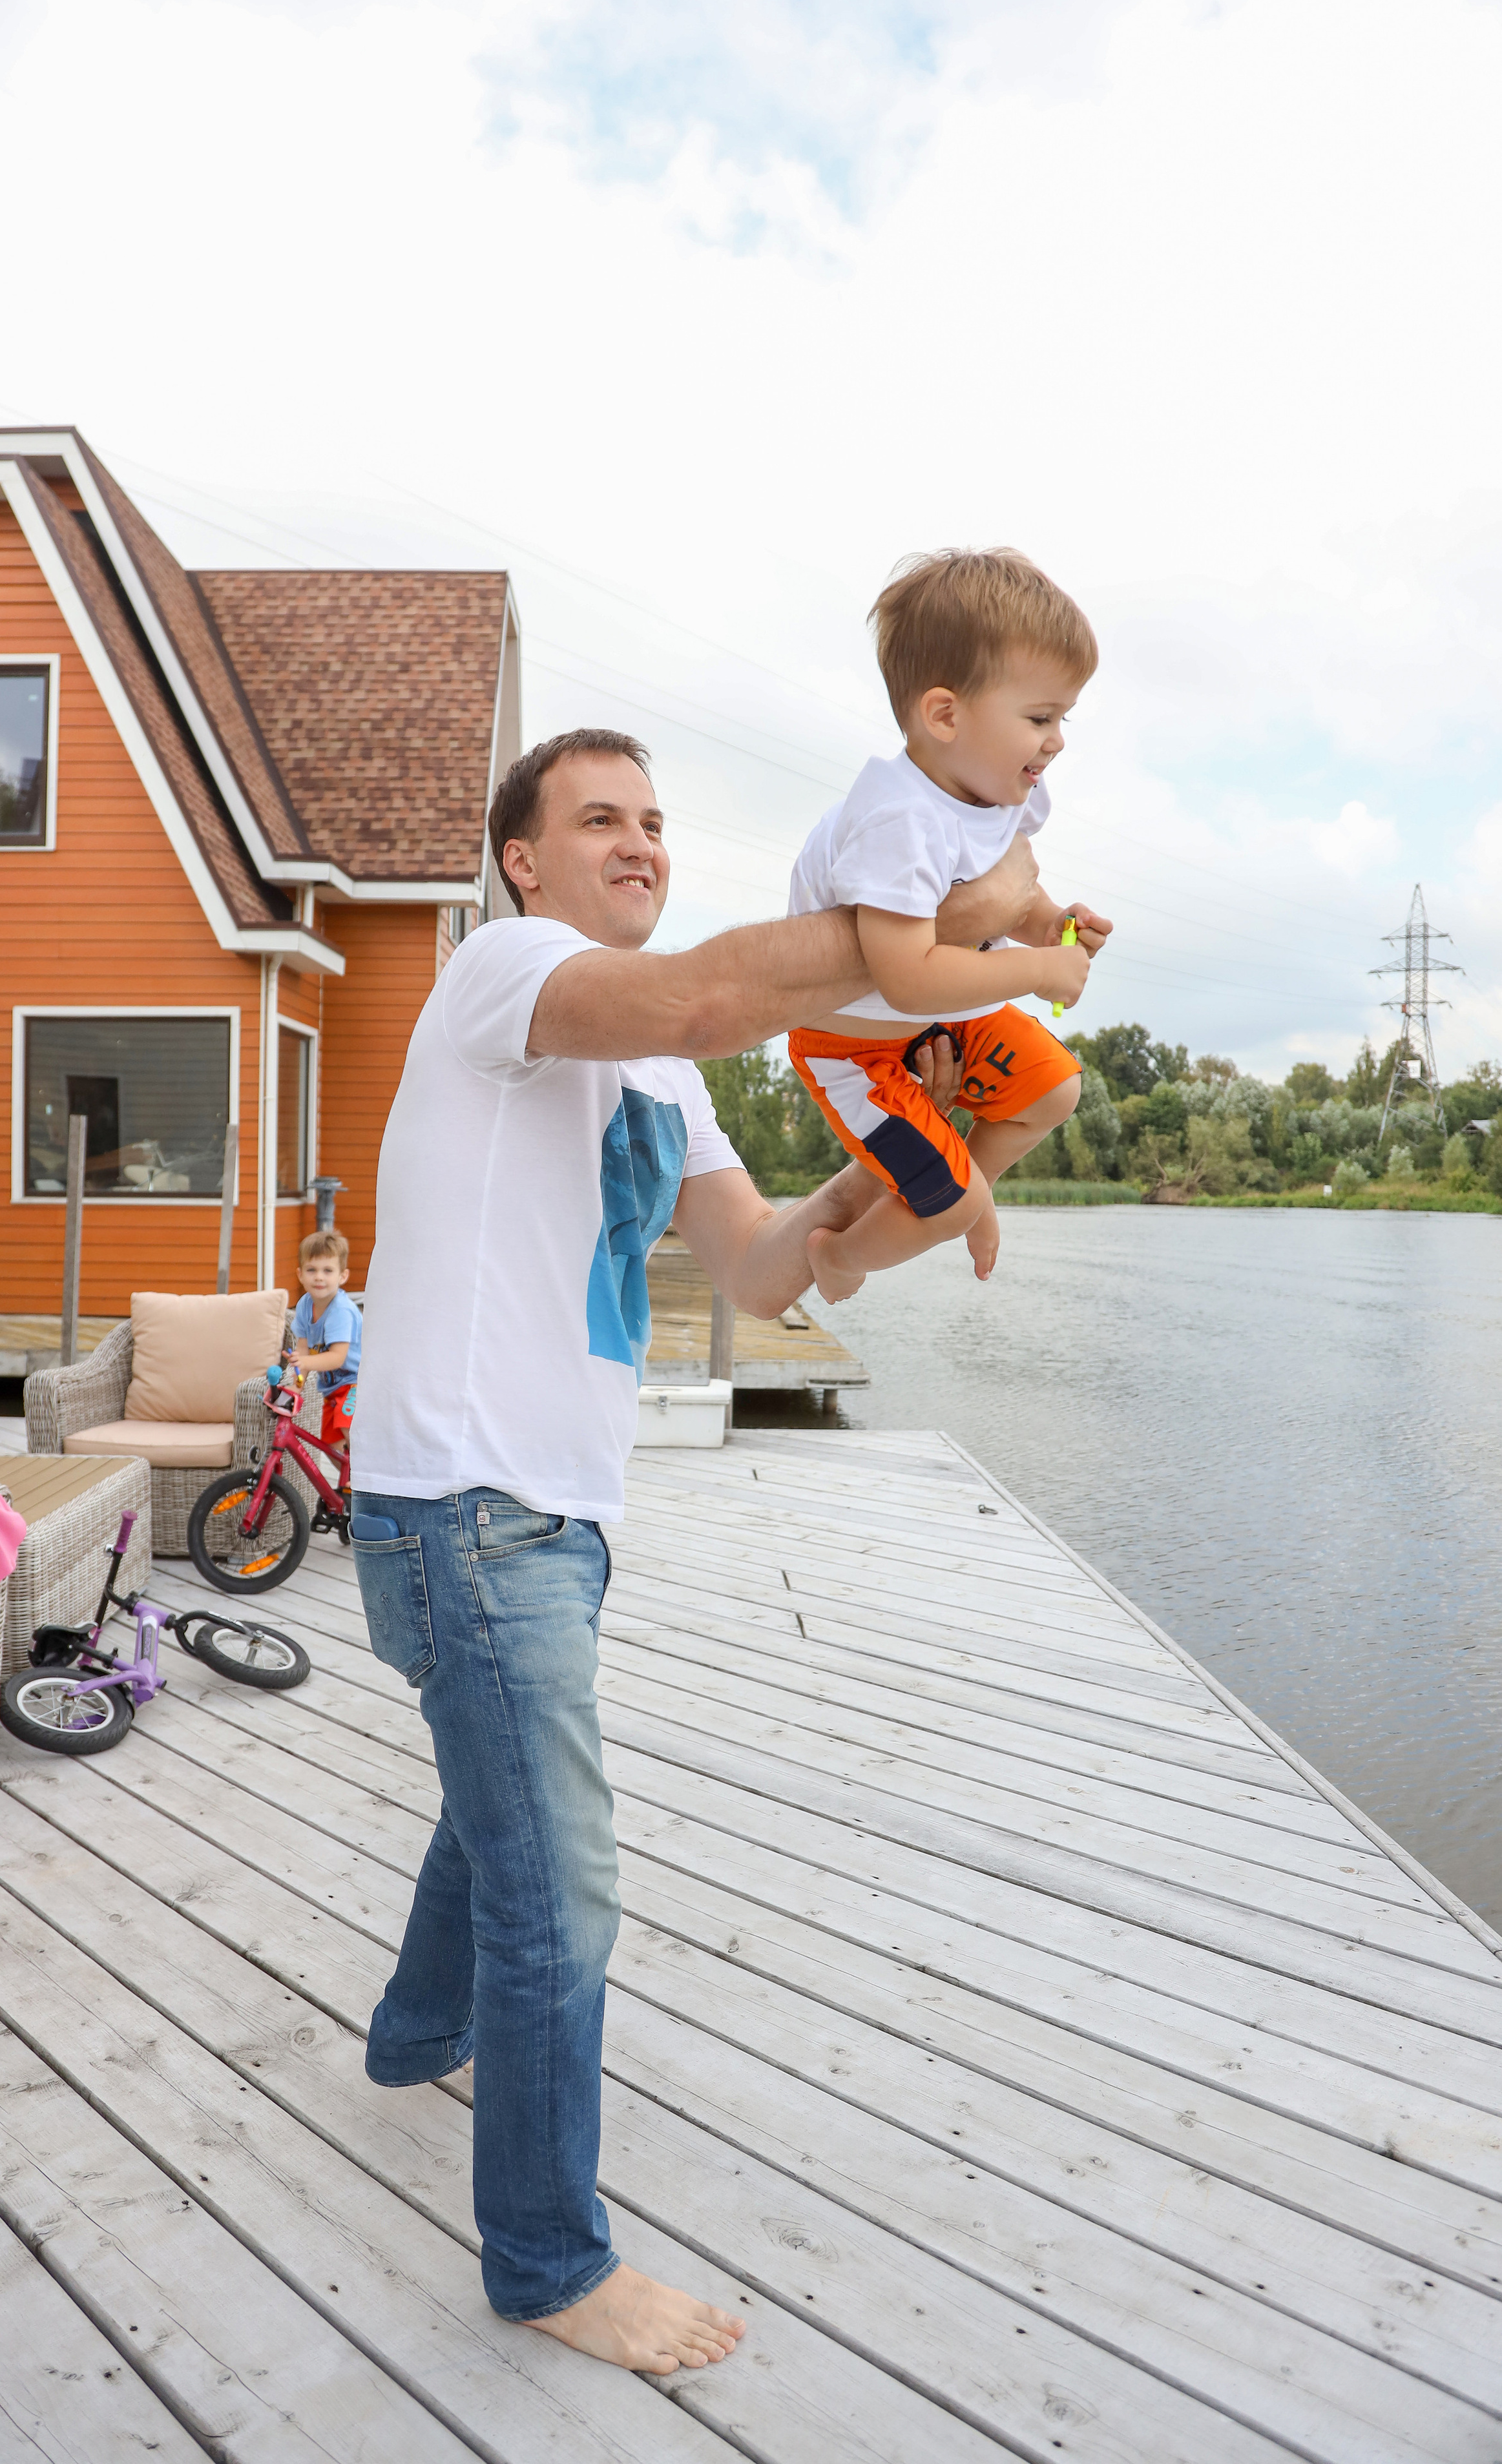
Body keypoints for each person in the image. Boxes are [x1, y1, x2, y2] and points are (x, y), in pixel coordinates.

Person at [349, 727, 977, 2379]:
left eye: (652, 820)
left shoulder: (669, 1074)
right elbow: (708, 990)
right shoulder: (505, 976)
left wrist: (919, 1157)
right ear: (522, 863)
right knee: (562, 1882)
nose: (636, 841)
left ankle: (422, 2035)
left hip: (556, 1510)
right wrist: (926, 928)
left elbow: (767, 1272)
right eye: (596, 819)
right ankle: (547, 2258)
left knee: (499, 1810)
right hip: (463, 1506)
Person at [786, 546, 1114, 1303]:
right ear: (944, 715)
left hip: (944, 1021)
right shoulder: (896, 820)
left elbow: (1008, 898)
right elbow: (906, 976)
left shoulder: (998, 795)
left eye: (1063, 716)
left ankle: (968, 1187)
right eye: (1039, 717)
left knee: (1055, 1092)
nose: (1057, 738)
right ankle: (843, 1258)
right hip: (855, 1052)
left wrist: (1049, 925)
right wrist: (1038, 972)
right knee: (952, 1199)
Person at [288, 1228, 361, 1449]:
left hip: (357, 1382)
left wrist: (305, 1362)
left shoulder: (341, 1310)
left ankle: (363, 1481)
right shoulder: (304, 1305)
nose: (319, 1277)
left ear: (342, 1276)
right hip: (331, 1388)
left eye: (328, 1270)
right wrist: (296, 1388)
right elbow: (302, 1350)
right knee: (330, 1444)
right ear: (300, 1275)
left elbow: (337, 1358)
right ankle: (344, 1483)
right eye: (312, 1270)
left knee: (350, 1429)